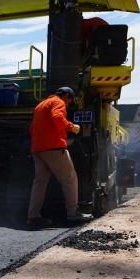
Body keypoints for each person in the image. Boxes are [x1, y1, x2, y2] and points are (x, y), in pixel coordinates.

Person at [27, 87, 92, 227]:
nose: (68, 104)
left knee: (39, 183)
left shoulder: (40, 105)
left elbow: (31, 129)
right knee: (70, 179)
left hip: (38, 149)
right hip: (54, 148)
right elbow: (57, 118)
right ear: (66, 96)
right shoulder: (58, 102)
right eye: (70, 101)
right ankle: (73, 213)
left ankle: (33, 216)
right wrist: (71, 126)